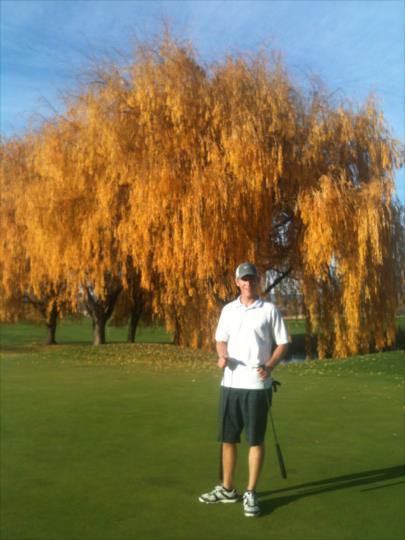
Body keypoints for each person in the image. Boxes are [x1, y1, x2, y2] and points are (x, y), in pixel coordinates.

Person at [198, 262, 289, 517]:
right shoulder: (228, 310)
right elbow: (220, 339)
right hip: (230, 384)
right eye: (244, 279)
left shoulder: (269, 310)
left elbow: (283, 343)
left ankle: (250, 492)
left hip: (258, 386)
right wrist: (222, 355)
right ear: (237, 282)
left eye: (252, 278)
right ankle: (228, 489)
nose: (248, 283)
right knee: (228, 439)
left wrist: (269, 366)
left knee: (255, 440)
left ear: (258, 281)